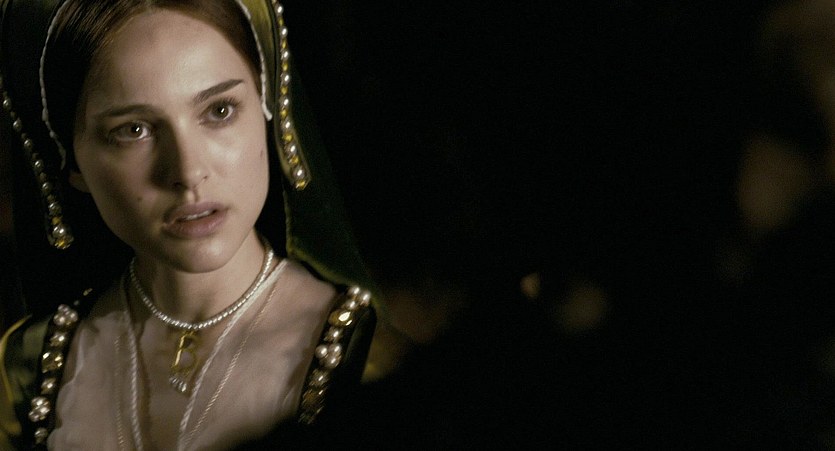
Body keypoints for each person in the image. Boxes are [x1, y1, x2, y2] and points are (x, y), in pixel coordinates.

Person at [0, 0, 380, 449]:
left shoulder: (370, 359)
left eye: (219, 111)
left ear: (268, 111)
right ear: (72, 162)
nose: (187, 171)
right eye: (133, 130)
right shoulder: (29, 364)